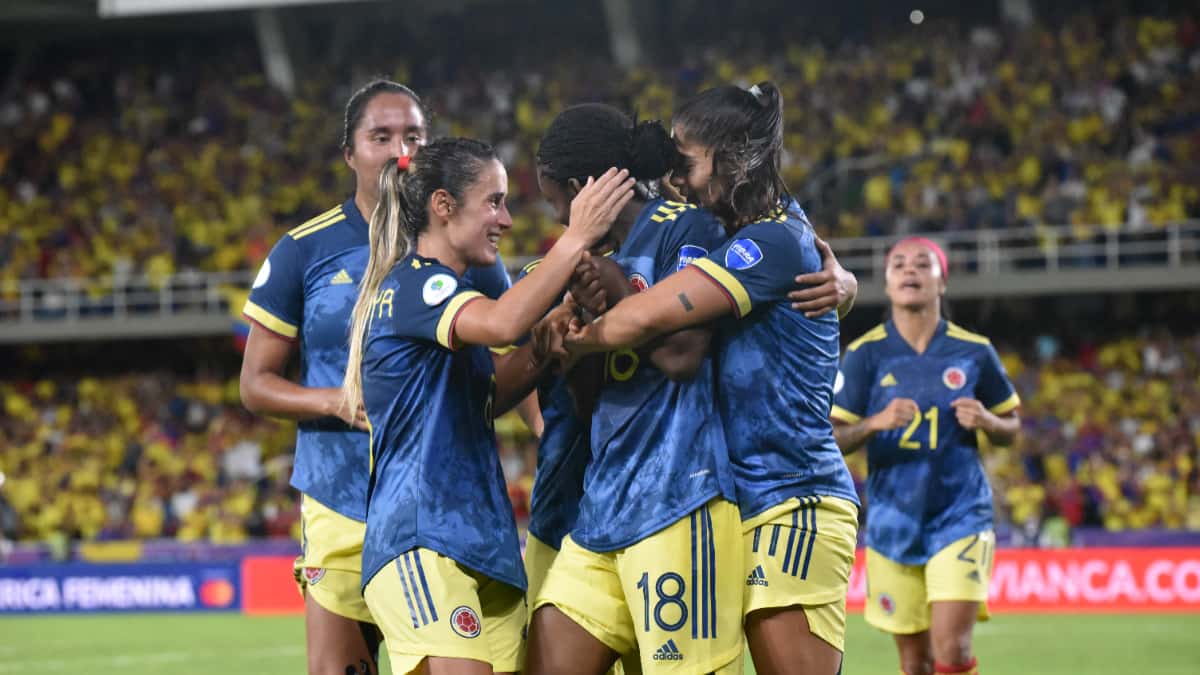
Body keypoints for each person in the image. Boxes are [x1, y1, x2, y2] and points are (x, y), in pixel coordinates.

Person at [562, 84, 861, 675]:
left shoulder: (772, 239)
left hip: (790, 494)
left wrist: (580, 340)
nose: (677, 177)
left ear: (734, 157)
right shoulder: (744, 231)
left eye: (687, 161)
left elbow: (646, 316)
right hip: (743, 497)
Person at [238, 80, 516, 675]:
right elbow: (255, 384)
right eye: (380, 136)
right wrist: (336, 401)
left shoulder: (463, 246)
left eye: (413, 136)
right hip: (341, 498)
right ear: (349, 153)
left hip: (440, 500)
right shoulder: (302, 251)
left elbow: (510, 359)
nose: (397, 150)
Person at [341, 137, 632, 675]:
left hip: (481, 543)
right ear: (444, 207)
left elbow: (487, 395)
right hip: (421, 539)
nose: (505, 219)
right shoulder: (415, 285)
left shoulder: (442, 292)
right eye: (493, 202)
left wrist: (544, 346)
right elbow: (501, 323)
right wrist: (575, 238)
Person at [525, 104, 743, 675]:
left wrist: (619, 292)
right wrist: (568, 343)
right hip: (602, 506)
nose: (556, 220)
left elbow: (683, 355)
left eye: (554, 203)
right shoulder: (582, 263)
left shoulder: (686, 227)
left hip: (679, 498)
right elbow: (589, 401)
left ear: (578, 191)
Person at [830, 237, 1020, 675]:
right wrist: (874, 423)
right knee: (915, 662)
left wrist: (990, 423)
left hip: (961, 515)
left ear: (942, 281)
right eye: (898, 264)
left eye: (921, 263)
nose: (909, 270)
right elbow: (833, 438)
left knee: (951, 648)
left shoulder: (974, 351)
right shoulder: (864, 355)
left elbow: (1012, 428)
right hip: (893, 522)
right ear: (888, 283)